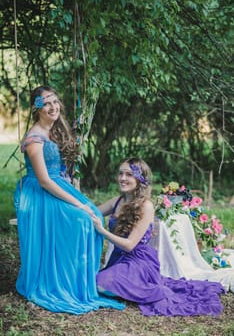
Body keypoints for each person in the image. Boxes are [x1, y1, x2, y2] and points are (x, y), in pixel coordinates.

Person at [14, 85, 125, 314]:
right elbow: (44, 181)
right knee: (81, 219)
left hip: (58, 184)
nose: (53, 107)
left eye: (55, 101)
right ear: (37, 109)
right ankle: (62, 281)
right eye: (46, 103)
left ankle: (79, 280)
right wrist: (77, 203)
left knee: (93, 214)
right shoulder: (34, 139)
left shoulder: (53, 130)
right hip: (39, 192)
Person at [91, 157, 226, 317]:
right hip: (118, 259)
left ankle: (137, 287)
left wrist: (102, 230)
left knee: (99, 284)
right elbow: (91, 211)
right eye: (120, 174)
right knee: (94, 283)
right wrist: (71, 205)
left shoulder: (146, 206)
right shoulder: (117, 201)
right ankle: (126, 287)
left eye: (128, 174)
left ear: (139, 179)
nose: (122, 178)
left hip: (138, 262)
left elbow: (129, 245)